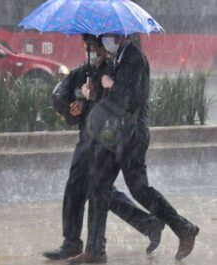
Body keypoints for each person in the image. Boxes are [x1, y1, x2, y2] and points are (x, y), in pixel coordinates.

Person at [67, 34, 200, 264]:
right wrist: (94, 91)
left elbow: (131, 99)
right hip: (117, 136)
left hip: (133, 137)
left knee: (140, 190)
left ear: (120, 35)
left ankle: (183, 227)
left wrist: (108, 86)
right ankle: (95, 250)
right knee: (98, 186)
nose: (105, 40)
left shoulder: (134, 58)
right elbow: (115, 100)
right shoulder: (120, 56)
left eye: (109, 35)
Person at [44, 34, 164, 262]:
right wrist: (73, 109)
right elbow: (63, 98)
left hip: (104, 140)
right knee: (78, 187)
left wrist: (96, 94)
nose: (92, 51)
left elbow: (120, 103)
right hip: (86, 139)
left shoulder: (114, 70)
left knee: (99, 191)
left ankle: (142, 226)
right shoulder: (82, 72)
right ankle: (72, 242)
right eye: (87, 47)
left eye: (95, 47)